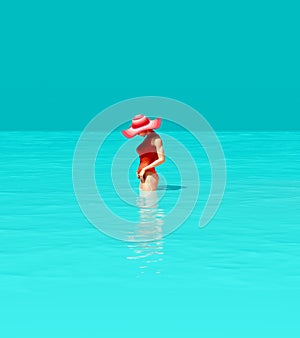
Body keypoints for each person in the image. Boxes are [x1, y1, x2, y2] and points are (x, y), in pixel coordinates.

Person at [122, 114, 165, 191]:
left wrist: (144, 169)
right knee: (141, 201)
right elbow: (145, 159)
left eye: (138, 131)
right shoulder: (148, 138)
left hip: (150, 175)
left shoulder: (156, 139)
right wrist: (139, 169)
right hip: (143, 174)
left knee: (149, 201)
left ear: (144, 128)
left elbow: (162, 159)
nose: (137, 134)